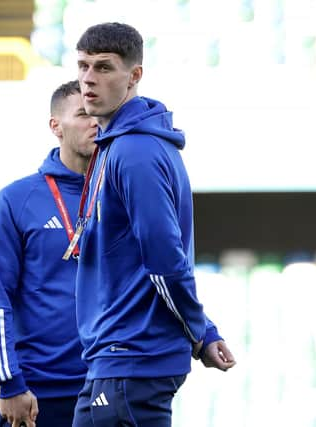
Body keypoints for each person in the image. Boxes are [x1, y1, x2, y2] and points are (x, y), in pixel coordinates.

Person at [68, 23, 237, 427]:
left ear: (135, 76)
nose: (89, 79)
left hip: (133, 359)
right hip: (113, 360)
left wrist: (200, 332)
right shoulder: (119, 144)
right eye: (83, 66)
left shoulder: (135, 152)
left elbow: (163, 261)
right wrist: (204, 332)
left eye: (104, 68)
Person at [0, 80, 98, 427]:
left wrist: (203, 333)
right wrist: (9, 383)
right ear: (55, 126)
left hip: (107, 383)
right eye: (82, 114)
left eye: (97, 115)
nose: (94, 122)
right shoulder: (17, 200)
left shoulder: (119, 193)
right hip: (36, 393)